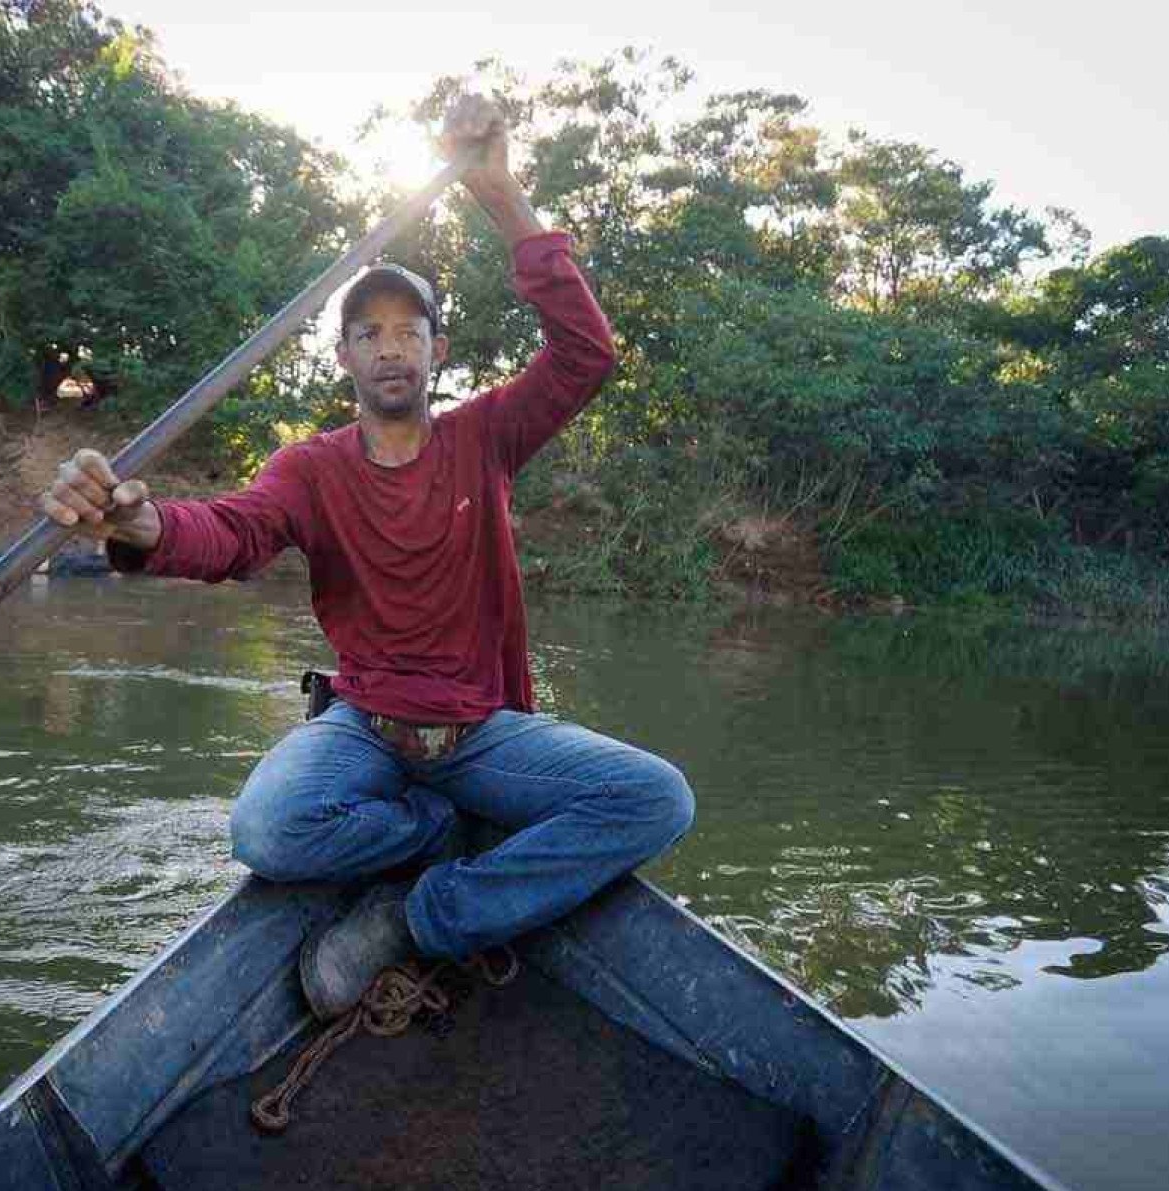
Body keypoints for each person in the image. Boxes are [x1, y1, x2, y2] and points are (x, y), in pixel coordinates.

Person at [40, 95, 695, 1020]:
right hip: (366, 731)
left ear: (436, 349)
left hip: (482, 733)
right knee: (265, 827)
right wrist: (139, 528)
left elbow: (585, 355)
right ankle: (433, 832)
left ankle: (424, 914)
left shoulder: (486, 438)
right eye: (369, 332)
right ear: (344, 355)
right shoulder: (310, 468)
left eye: (408, 329)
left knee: (655, 799)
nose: (391, 345)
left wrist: (503, 196)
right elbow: (232, 532)